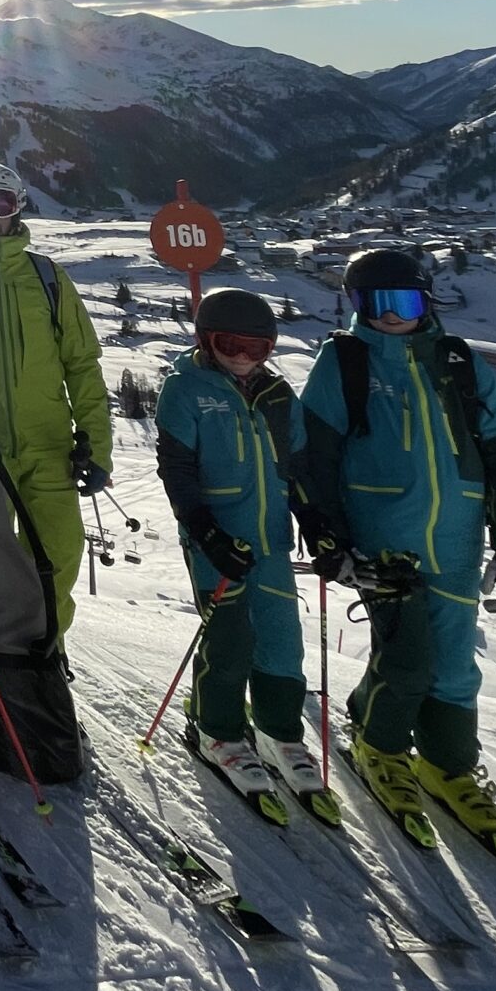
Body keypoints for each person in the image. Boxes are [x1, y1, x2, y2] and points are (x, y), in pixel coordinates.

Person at [299, 247, 496, 865]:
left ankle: (448, 766)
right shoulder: (344, 361)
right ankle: (379, 745)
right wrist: (326, 536)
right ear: (356, 307)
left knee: (456, 665)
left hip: (459, 542)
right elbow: (314, 456)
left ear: (425, 300)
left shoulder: (459, 365)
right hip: (383, 541)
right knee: (406, 658)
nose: (389, 317)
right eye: (373, 304)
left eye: (403, 302)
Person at [155, 289, 338, 822]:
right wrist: (207, 534)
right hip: (216, 539)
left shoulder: (279, 396)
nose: (242, 356)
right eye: (229, 344)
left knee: (282, 639)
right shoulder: (184, 391)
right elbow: (179, 473)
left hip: (271, 540)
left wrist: (317, 523)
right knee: (231, 638)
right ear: (205, 340)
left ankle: (280, 733)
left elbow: (297, 468)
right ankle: (217, 731)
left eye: (256, 347)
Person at [0, 159, 110, 635]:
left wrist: (95, 445)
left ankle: (44, 650)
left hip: (48, 444)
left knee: (58, 554)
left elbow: (82, 365)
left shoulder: (47, 279)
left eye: (3, 203)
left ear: (18, 211)